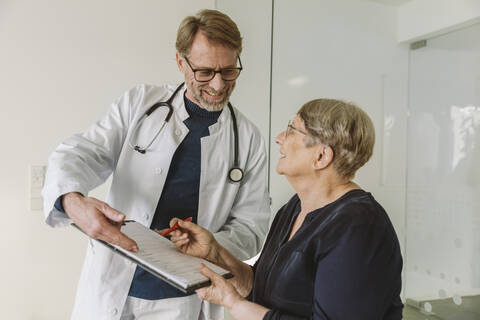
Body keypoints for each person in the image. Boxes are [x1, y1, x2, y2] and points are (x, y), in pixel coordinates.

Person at [41, 9, 270, 320]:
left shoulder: (248, 139)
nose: (218, 85)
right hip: (114, 282)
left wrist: (210, 242)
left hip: (183, 299)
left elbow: (251, 228)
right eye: (204, 72)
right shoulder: (140, 104)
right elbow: (81, 153)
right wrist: (71, 200)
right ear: (181, 62)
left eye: (229, 71)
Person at [168, 99, 404, 319]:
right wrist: (214, 253)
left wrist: (234, 304)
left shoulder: (358, 226)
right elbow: (259, 287)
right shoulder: (294, 208)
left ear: (321, 156)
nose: (279, 138)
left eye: (293, 130)